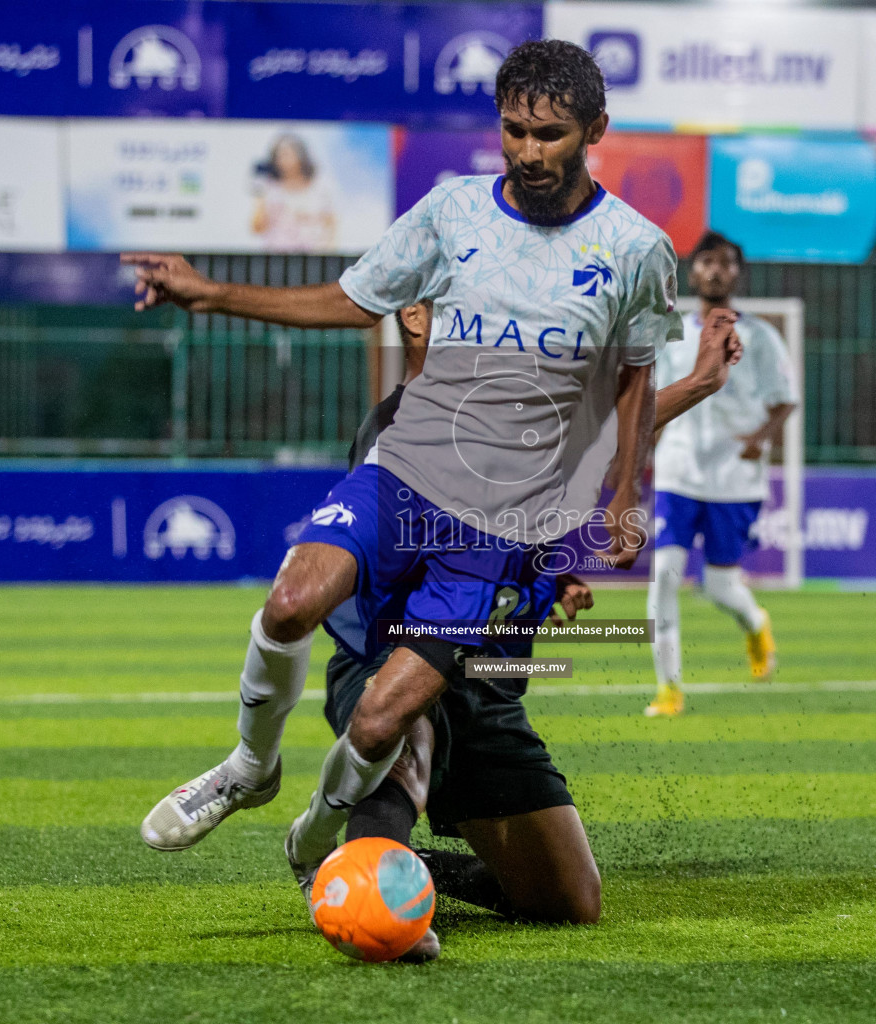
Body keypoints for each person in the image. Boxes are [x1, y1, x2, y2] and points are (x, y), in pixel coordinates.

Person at [123, 39, 734, 942]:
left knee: (395, 724)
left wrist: (620, 498)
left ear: (595, 132)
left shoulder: (636, 251)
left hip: (493, 530)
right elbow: (353, 297)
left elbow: (631, 377)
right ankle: (251, 769)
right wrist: (209, 293)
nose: (527, 152)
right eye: (513, 131)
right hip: (405, 477)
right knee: (292, 605)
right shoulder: (451, 213)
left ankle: (325, 845)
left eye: (549, 135)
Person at [321, 299, 744, 962]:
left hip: (485, 681)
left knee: (570, 901)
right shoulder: (405, 423)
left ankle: (380, 862)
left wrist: (542, 577)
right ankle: (372, 881)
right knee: (412, 714)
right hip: (395, 658)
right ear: (415, 318)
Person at [644, 231, 797, 718]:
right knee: (663, 578)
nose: (715, 270)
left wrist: (761, 438)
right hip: (678, 469)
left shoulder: (761, 337)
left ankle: (755, 623)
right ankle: (669, 689)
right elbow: (653, 400)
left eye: (726, 263)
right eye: (707, 261)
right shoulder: (670, 332)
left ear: (737, 273)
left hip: (734, 477)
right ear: (693, 273)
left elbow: (785, 399)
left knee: (719, 587)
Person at [250, 134, 337, 251]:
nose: (283, 160)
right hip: (276, 258)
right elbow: (257, 227)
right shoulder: (270, 189)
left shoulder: (320, 188)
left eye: (287, 154)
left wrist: (328, 252)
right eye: (278, 156)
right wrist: (259, 194)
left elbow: (331, 224)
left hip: (313, 257)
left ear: (301, 156)